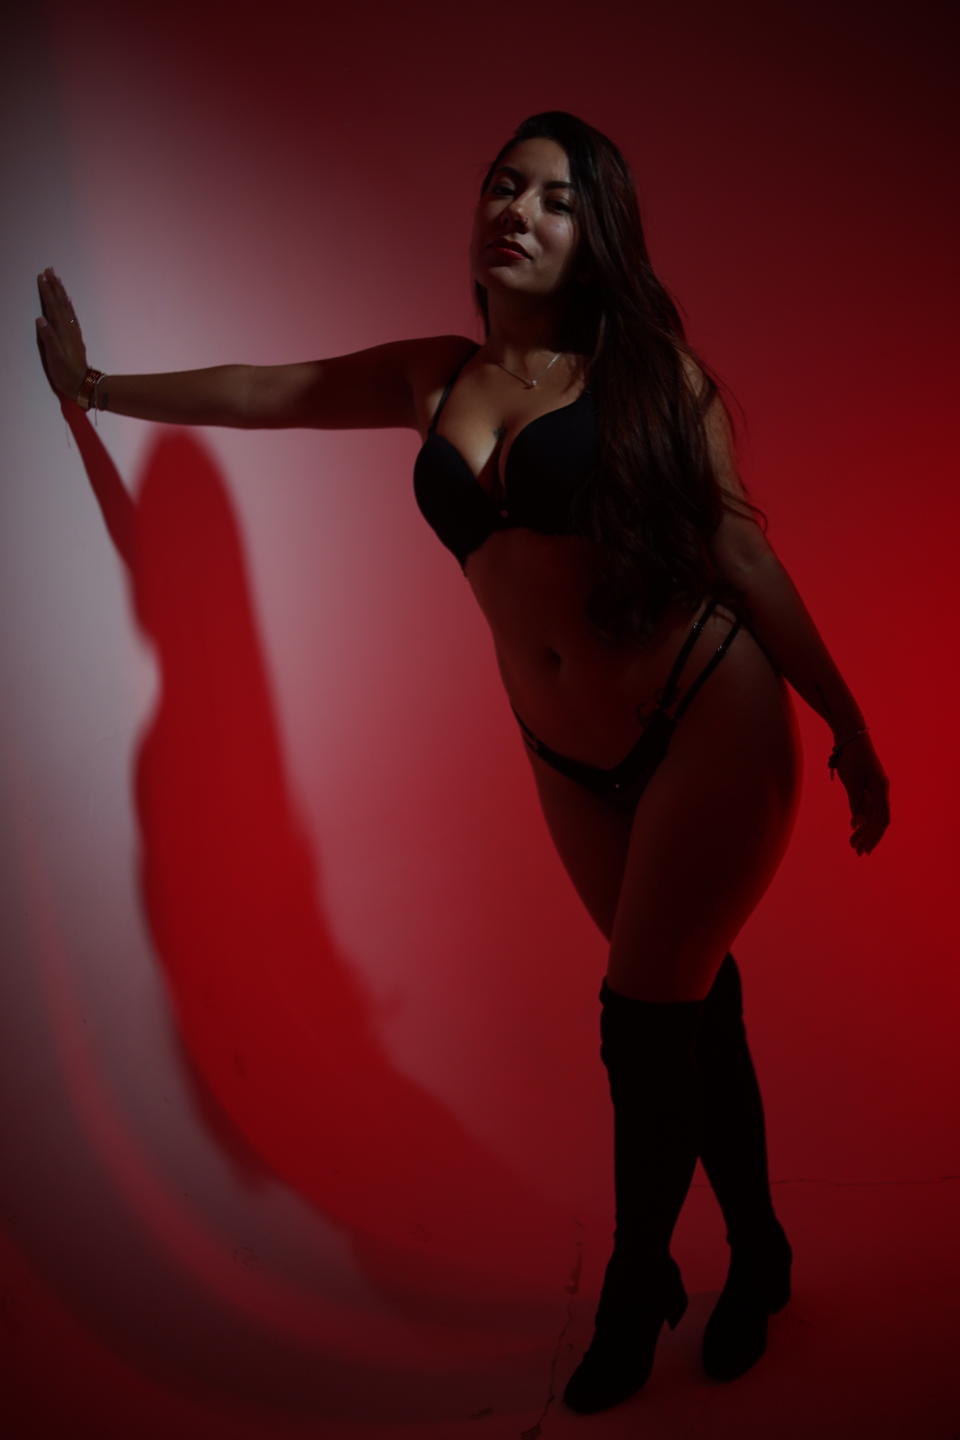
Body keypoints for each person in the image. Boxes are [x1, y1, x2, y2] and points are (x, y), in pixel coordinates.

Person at [36, 110, 890, 1414]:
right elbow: (268, 391)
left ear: (596, 234)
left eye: (556, 199)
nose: (519, 212)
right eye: (505, 186)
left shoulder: (653, 375)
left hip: (705, 718)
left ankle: (637, 1283)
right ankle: (761, 1252)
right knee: (685, 1005)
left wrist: (849, 725)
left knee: (644, 1015)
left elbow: (744, 553)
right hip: (569, 758)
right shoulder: (433, 379)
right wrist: (96, 389)